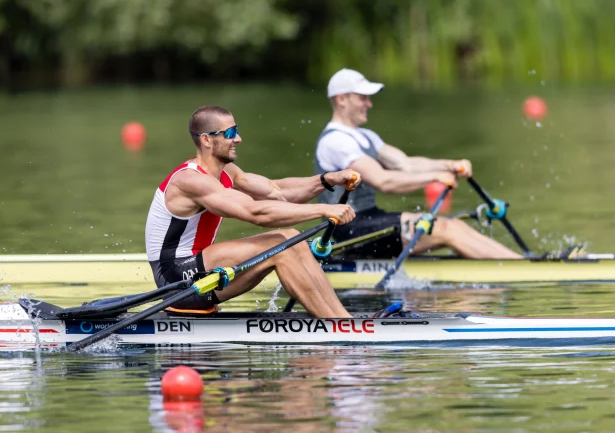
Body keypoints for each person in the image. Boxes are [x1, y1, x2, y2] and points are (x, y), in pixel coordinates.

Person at [145, 105, 360, 318]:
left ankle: (342, 319)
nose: (238, 138)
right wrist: (324, 209)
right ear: (207, 140)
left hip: (200, 270)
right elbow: (256, 213)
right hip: (175, 280)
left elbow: (277, 190)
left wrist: (327, 179)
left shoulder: (227, 172)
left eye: (236, 130)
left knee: (292, 237)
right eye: (230, 133)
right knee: (279, 245)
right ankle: (337, 326)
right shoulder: (190, 181)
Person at [314, 68, 522, 259]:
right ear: (341, 99)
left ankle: (520, 263)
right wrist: (433, 177)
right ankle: (524, 269)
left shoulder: (365, 136)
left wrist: (449, 165)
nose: (369, 104)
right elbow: (383, 181)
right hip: (349, 230)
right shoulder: (335, 141)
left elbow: (406, 164)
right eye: (363, 98)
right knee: (446, 230)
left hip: (370, 219)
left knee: (453, 225)